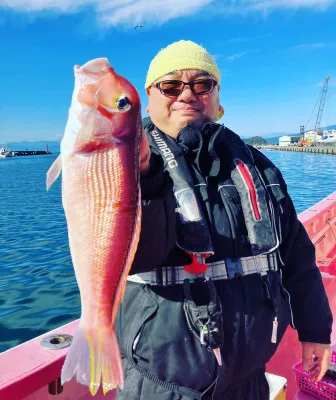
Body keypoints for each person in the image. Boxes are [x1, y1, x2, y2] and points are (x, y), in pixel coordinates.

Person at [114, 40, 333, 400]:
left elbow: (296, 255)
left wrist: (315, 329)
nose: (187, 94)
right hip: (161, 385)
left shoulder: (257, 165)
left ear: (217, 98)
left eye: (202, 84)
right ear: (150, 98)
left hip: (249, 379)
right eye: (171, 86)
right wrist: (144, 178)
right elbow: (136, 253)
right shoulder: (125, 164)